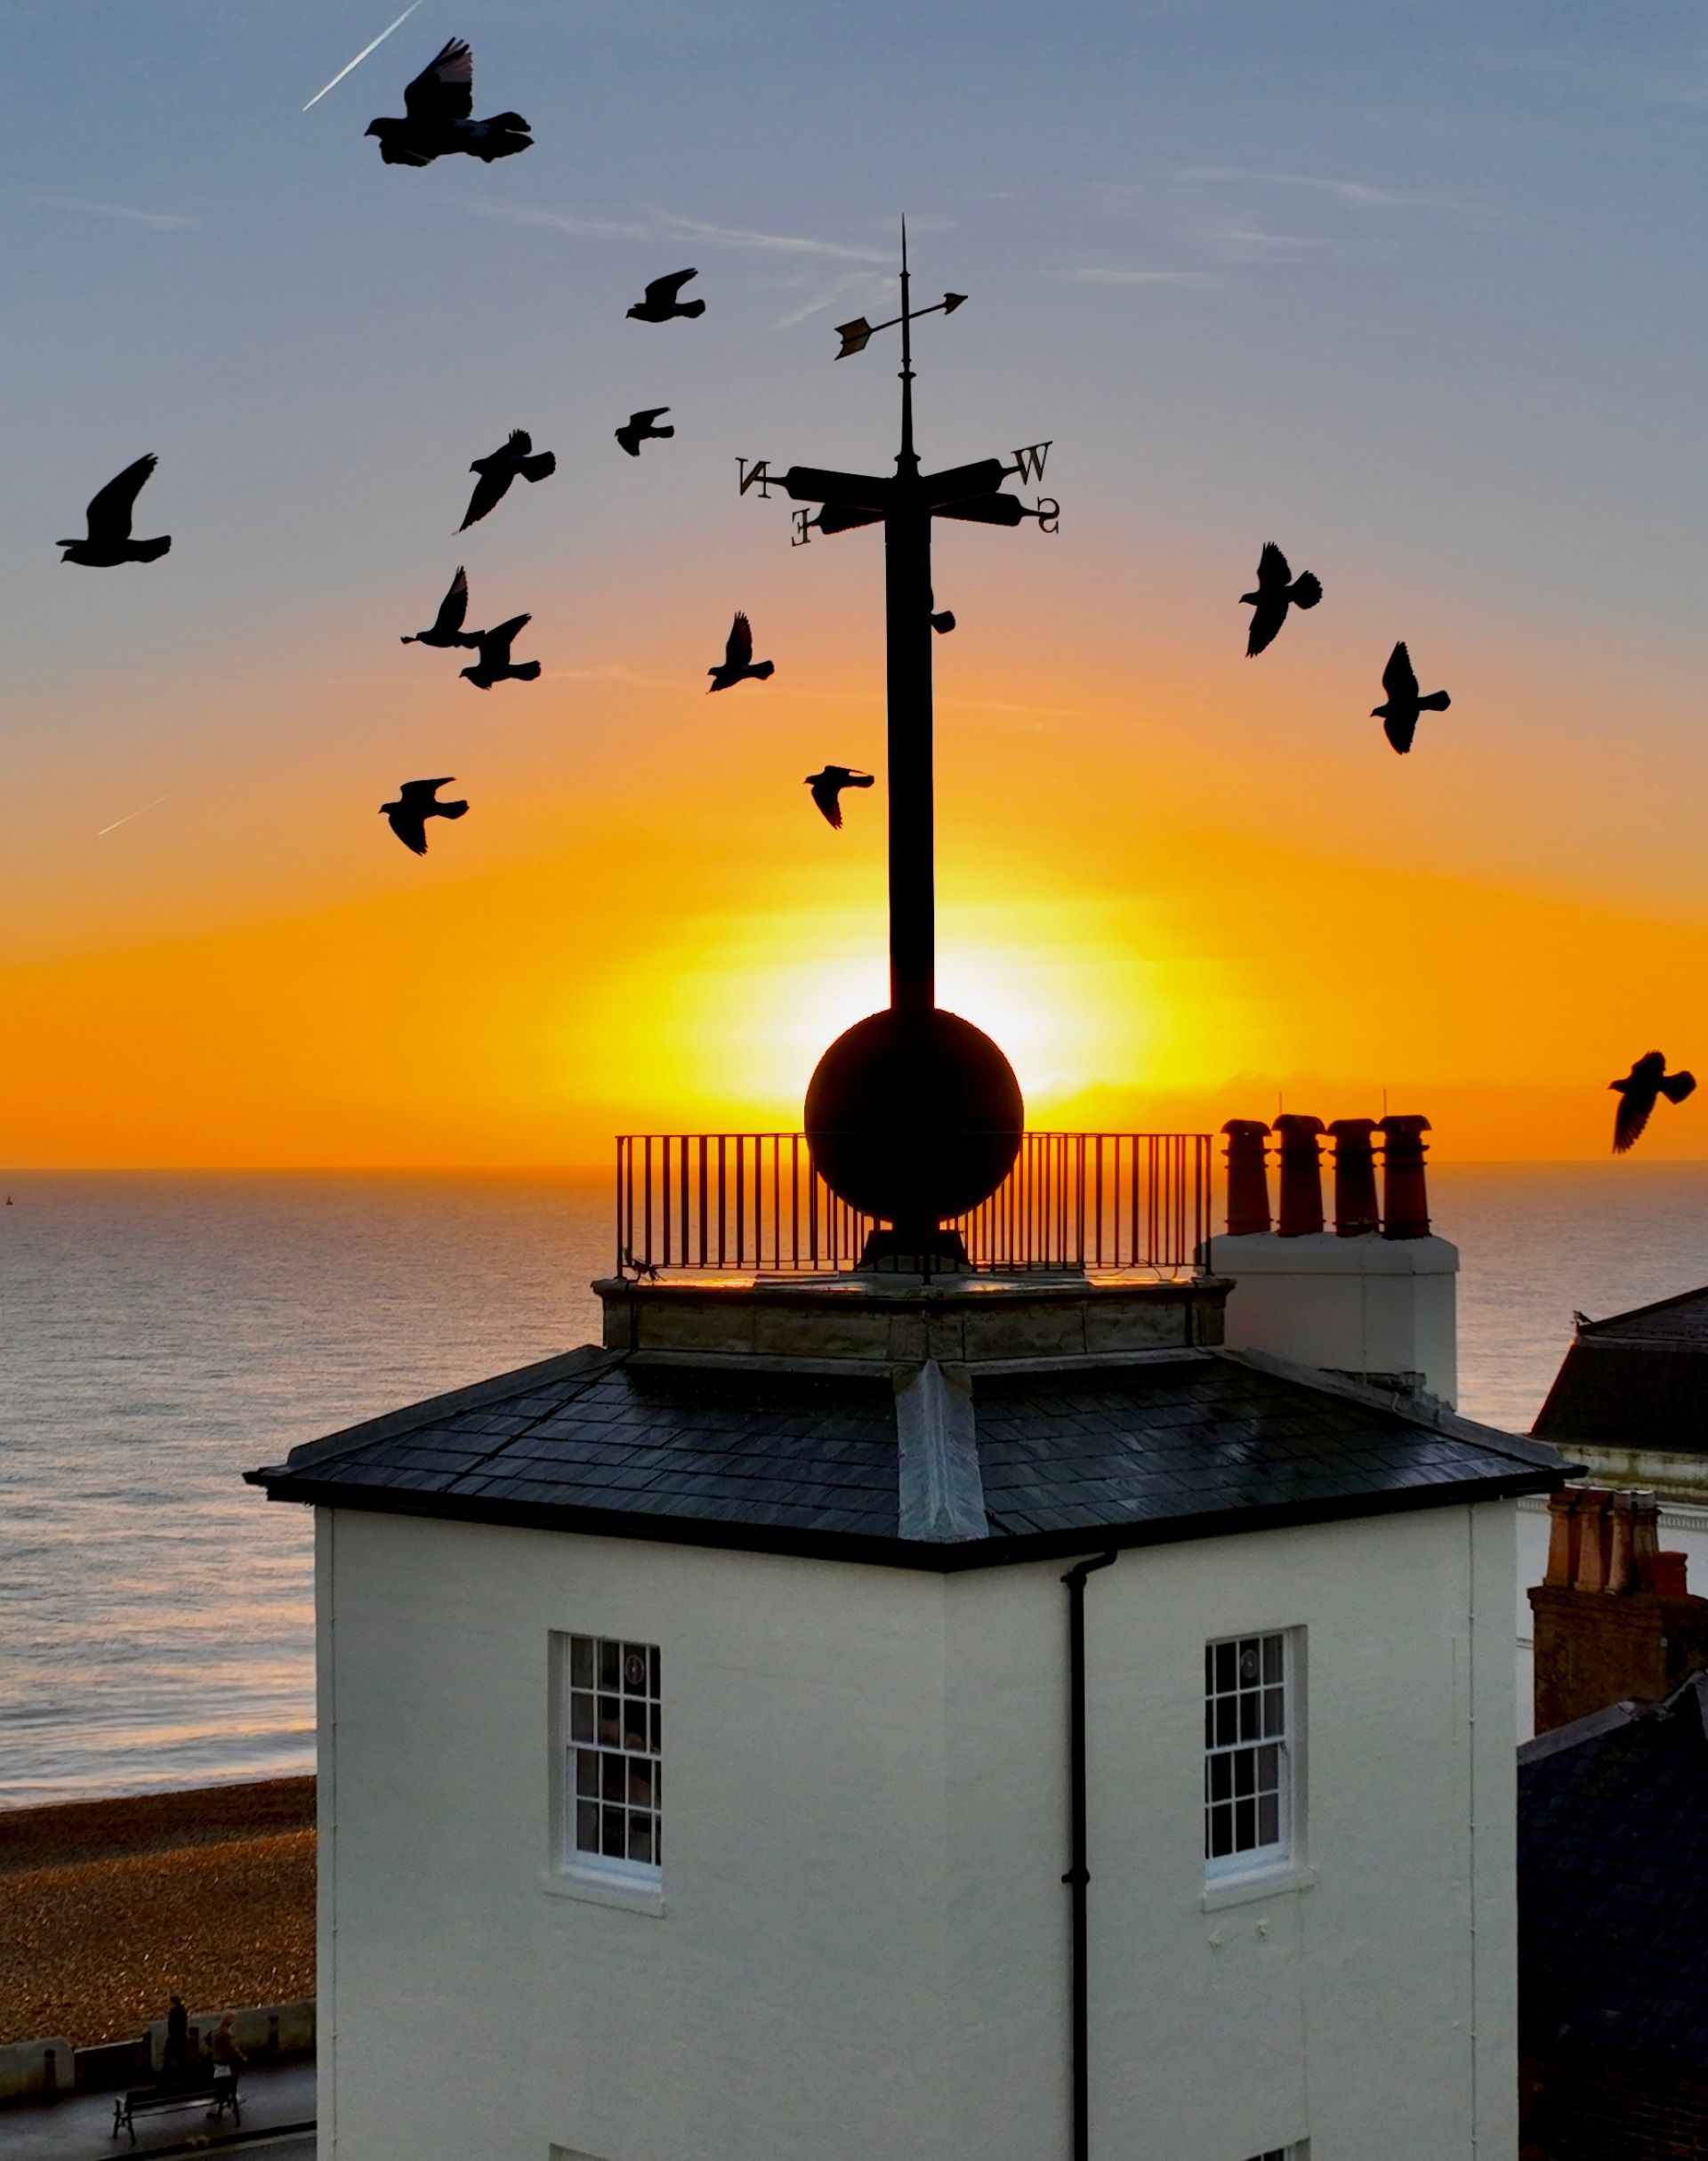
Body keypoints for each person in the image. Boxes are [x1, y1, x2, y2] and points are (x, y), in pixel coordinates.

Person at [206, 2013, 246, 2111]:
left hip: (217, 2060)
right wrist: (241, 2056)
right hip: (223, 2061)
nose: (233, 2022)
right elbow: (232, 2047)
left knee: (223, 2083)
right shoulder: (226, 2034)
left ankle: (234, 2100)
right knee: (226, 2084)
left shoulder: (216, 2032)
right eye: (232, 2020)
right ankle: (233, 2101)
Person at [162, 1995, 189, 2085]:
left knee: (172, 2058)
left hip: (175, 2039)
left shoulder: (174, 2013)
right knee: (181, 2059)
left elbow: (173, 2028)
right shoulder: (182, 2012)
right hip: (181, 2039)